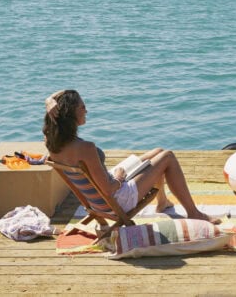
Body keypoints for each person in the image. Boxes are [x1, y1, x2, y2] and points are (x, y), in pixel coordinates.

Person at [43, 89, 219, 223]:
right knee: (168, 157)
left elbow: (102, 184)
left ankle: (162, 203)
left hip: (97, 200)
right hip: (117, 199)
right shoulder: (86, 148)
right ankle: (194, 213)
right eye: (82, 107)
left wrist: (49, 100)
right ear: (71, 113)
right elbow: (108, 189)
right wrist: (119, 179)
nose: (86, 110)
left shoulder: (51, 142)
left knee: (157, 152)